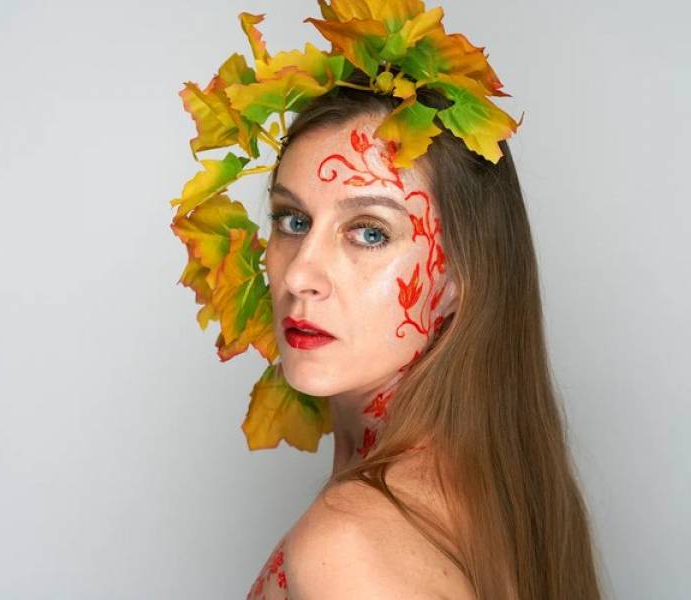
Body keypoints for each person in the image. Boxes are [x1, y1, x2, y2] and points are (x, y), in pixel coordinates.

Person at [169, 3, 605, 598]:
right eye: (292, 219)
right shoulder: (501, 498)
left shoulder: (349, 545)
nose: (300, 275)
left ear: (458, 279)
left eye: (370, 233)